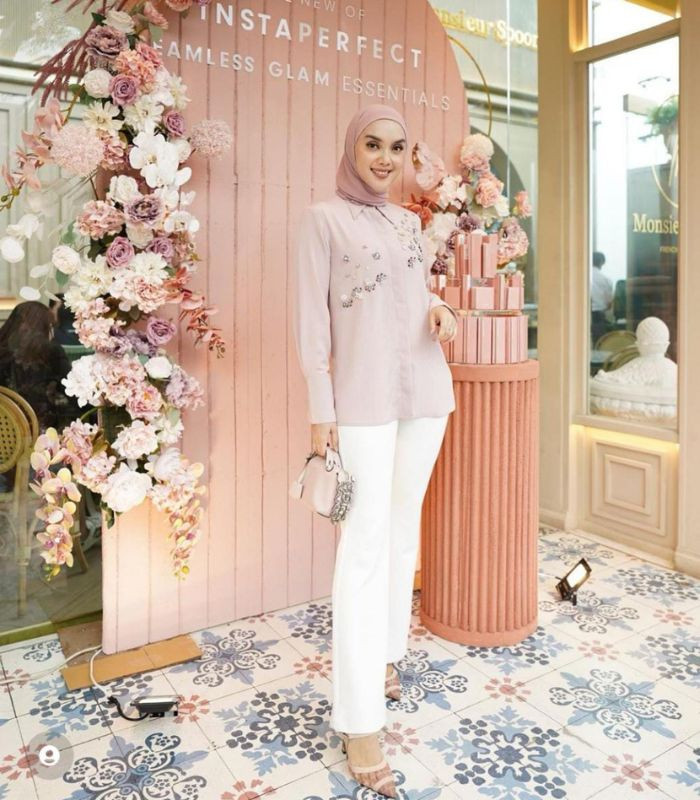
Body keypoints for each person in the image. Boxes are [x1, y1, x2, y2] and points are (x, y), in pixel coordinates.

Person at [292, 104, 458, 798]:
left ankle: (387, 655)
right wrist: (320, 412)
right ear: (351, 148)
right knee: (362, 549)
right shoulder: (322, 220)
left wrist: (443, 310)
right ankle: (359, 721)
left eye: (395, 147)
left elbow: (417, 297)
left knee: (400, 533)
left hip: (425, 391)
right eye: (372, 144)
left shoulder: (408, 224)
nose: (385, 158)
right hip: (360, 403)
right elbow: (312, 324)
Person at [0, 300, 79, 432]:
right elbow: (71, 389)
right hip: (41, 431)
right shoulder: (50, 351)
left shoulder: (3, 350)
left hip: (6, 432)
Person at [591, 250, 613, 347]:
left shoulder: (581, 277)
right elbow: (609, 303)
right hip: (598, 315)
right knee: (598, 343)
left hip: (580, 314)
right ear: (602, 263)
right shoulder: (606, 280)